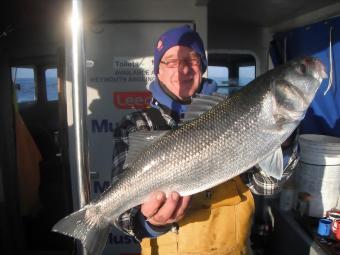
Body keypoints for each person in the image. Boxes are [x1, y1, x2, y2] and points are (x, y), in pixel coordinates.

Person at [111, 25, 299, 255]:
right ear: (157, 71)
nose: (181, 69)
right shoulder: (136, 125)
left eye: (192, 59)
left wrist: (282, 138)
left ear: (203, 67)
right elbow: (122, 217)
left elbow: (267, 186)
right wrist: (152, 223)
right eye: (170, 61)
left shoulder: (233, 114)